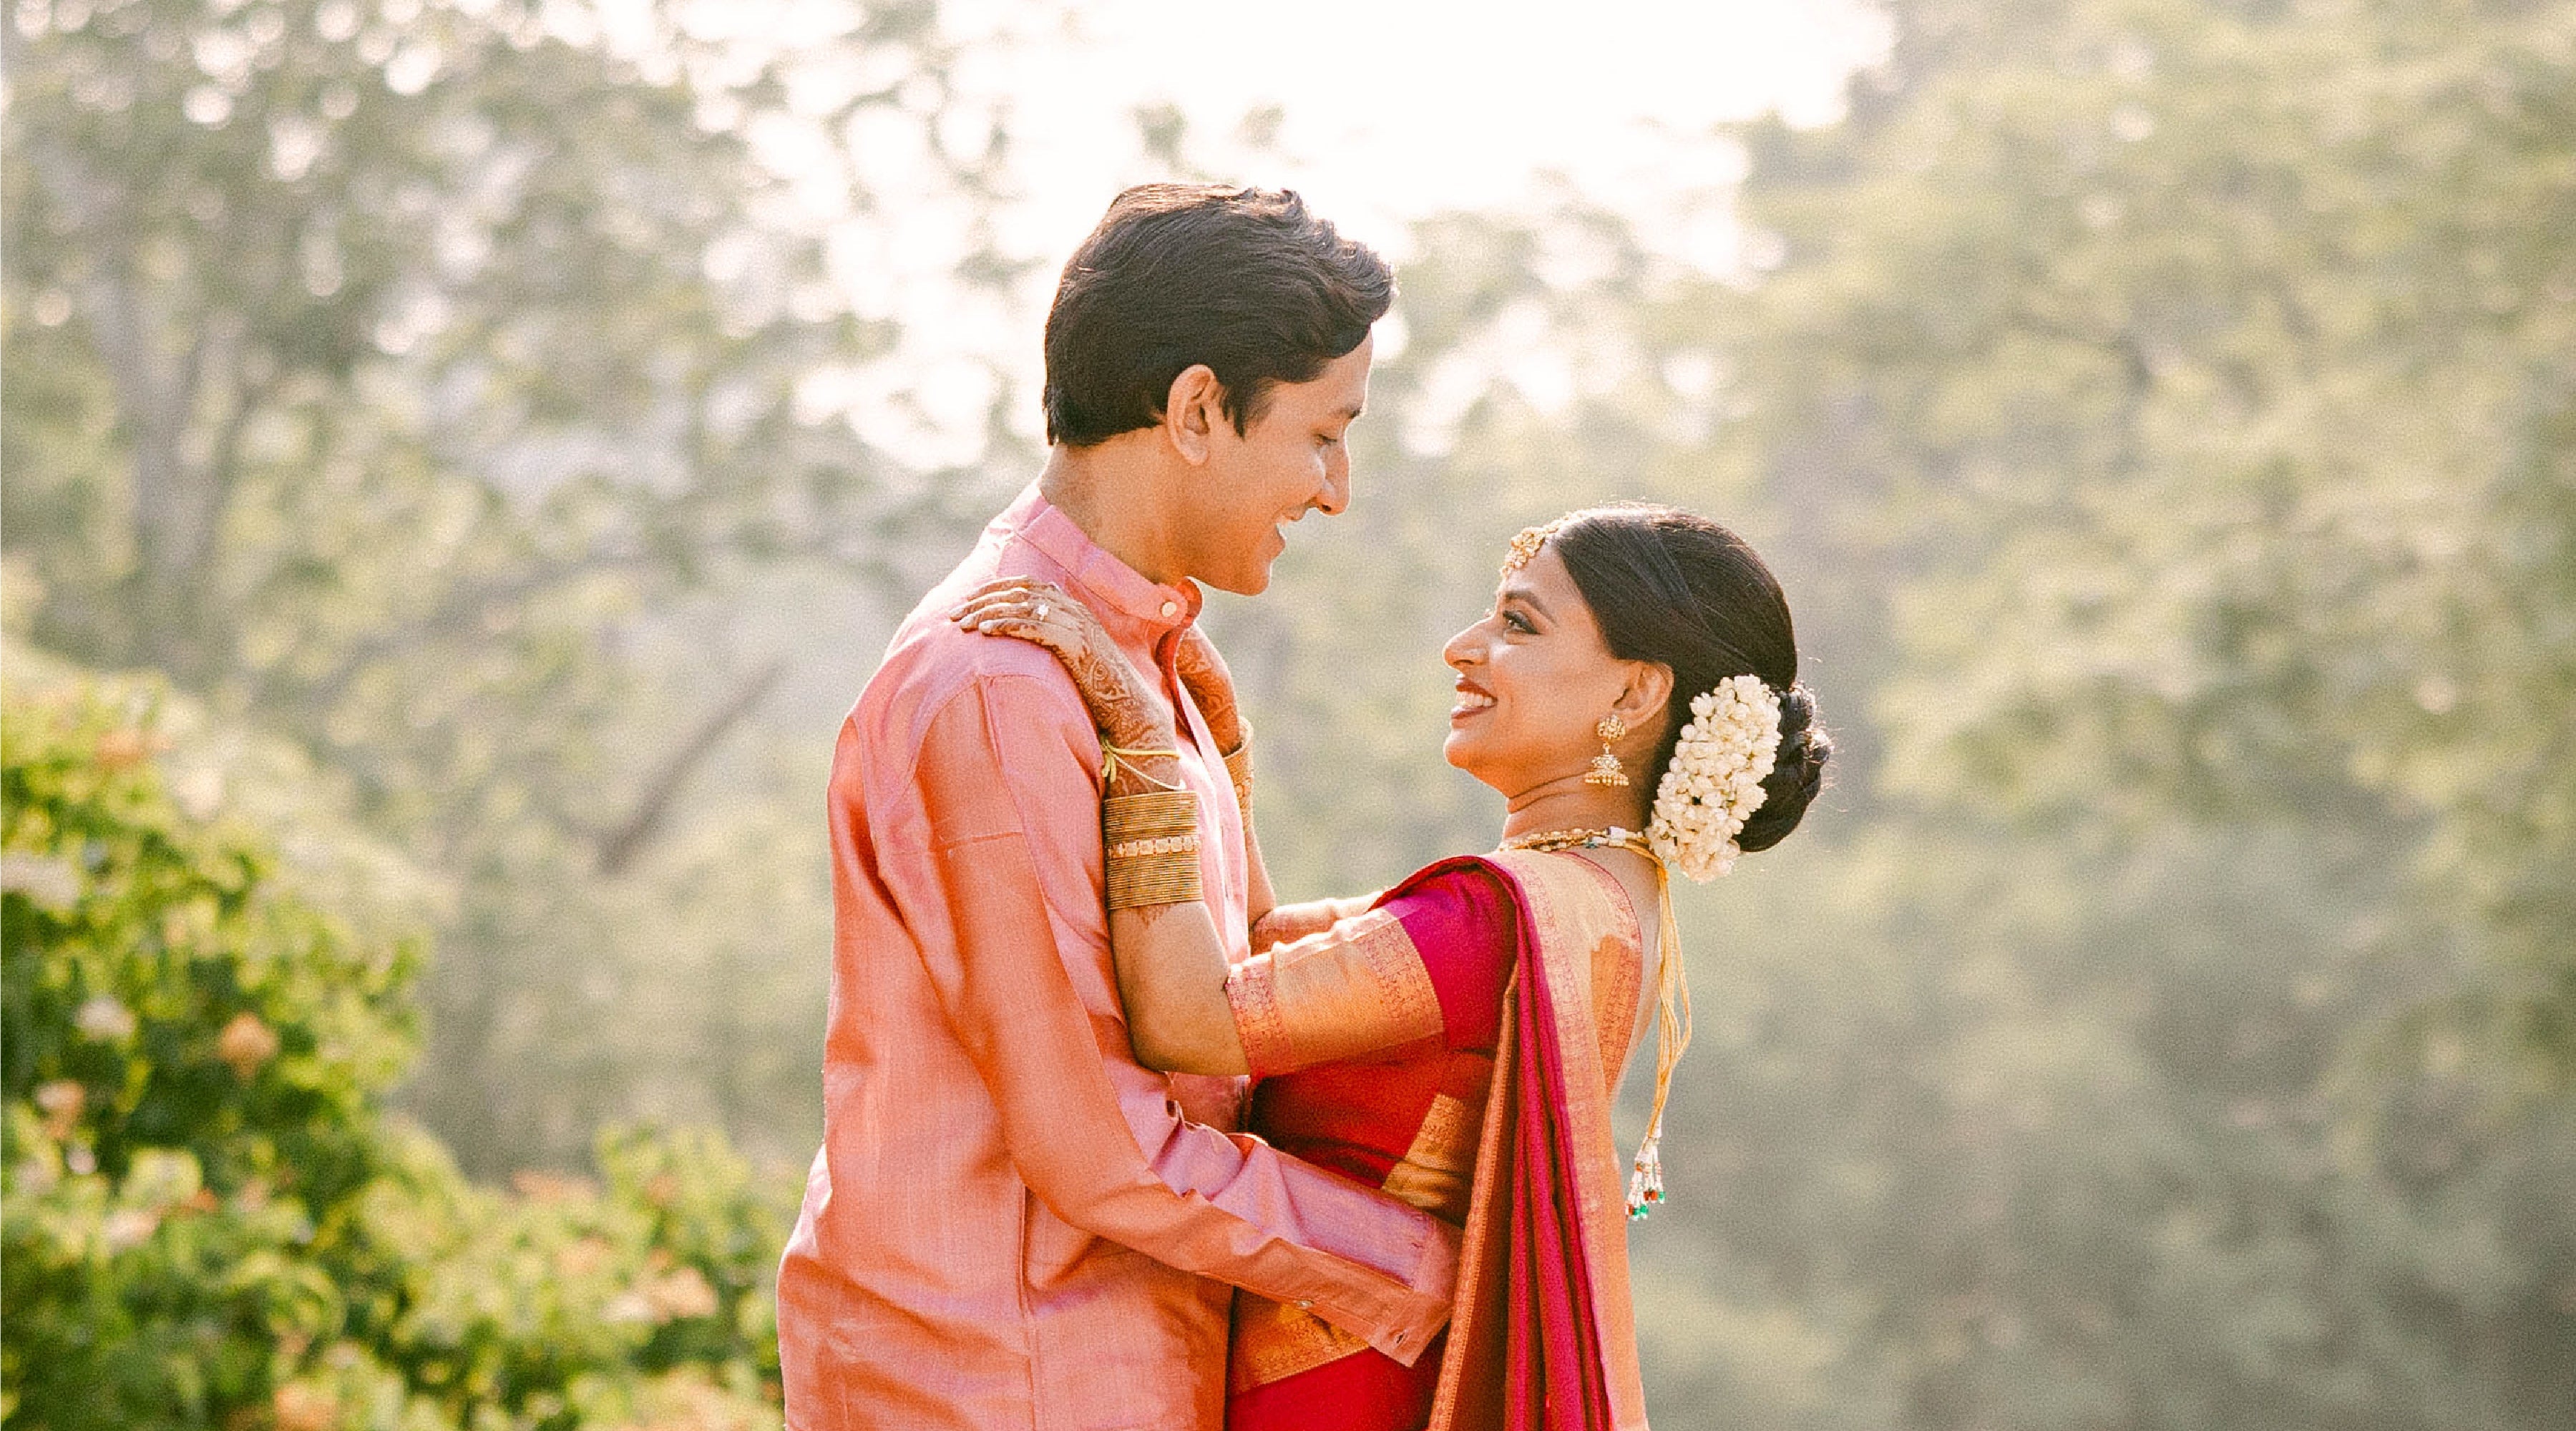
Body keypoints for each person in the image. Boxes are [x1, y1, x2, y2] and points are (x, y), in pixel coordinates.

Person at [776, 185, 1462, 1429]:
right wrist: (1429, 1274)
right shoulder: (999, 685)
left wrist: (1510, 931)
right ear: (1199, 410)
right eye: (1322, 435)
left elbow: (1234, 993)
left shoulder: (1149, 666)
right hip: (993, 1378)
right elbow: (1102, 1143)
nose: (1337, 490)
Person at [952, 503, 1832, 1430]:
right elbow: (1263, 951)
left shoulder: (1493, 919)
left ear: (1632, 696)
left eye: (1519, 624)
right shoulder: (1606, 903)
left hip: (1336, 1389)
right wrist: (1224, 756)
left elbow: (1194, 1019)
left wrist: (1141, 748)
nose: (1464, 646)